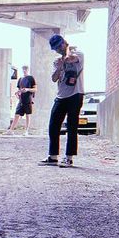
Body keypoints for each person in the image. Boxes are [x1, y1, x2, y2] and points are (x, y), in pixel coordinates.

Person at [40, 35, 84, 167]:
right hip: (61, 96)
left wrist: (68, 50)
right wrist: (59, 67)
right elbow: (54, 78)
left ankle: (69, 158)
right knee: (53, 125)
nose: (58, 50)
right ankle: (53, 157)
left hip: (75, 94)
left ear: (65, 43)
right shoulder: (57, 61)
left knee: (72, 126)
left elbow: (70, 59)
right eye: (56, 49)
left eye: (59, 46)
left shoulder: (79, 54)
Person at [8, 65, 37, 134]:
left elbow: (35, 89)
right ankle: (10, 131)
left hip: (28, 99)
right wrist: (17, 93)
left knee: (28, 115)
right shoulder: (20, 79)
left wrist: (27, 89)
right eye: (23, 69)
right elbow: (19, 89)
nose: (24, 70)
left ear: (28, 70)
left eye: (25, 69)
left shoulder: (31, 78)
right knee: (16, 114)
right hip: (21, 100)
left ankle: (26, 131)